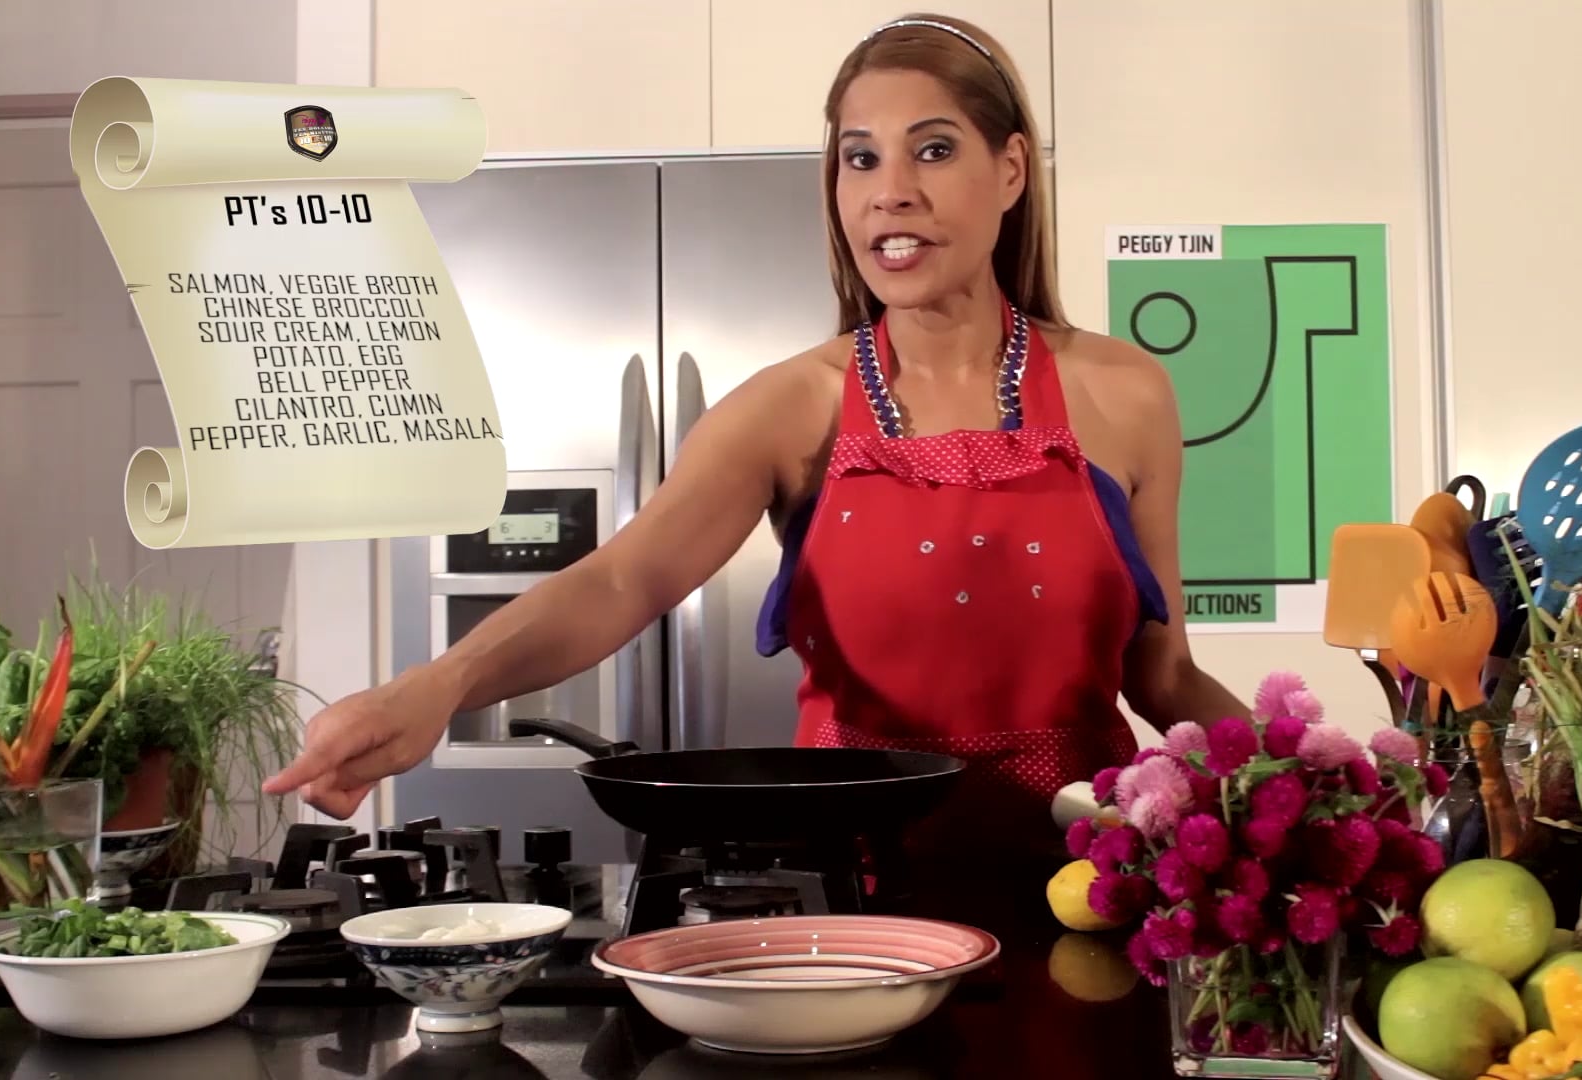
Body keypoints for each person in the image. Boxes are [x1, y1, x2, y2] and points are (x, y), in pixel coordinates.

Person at [264, 12, 1248, 854]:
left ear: (1010, 170)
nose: (889, 188)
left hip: (1087, 886)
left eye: (934, 149)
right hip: (850, 891)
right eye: (860, 157)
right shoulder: (791, 407)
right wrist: (439, 685)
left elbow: (1160, 674)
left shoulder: (1124, 395)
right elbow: (622, 579)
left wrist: (1315, 786)